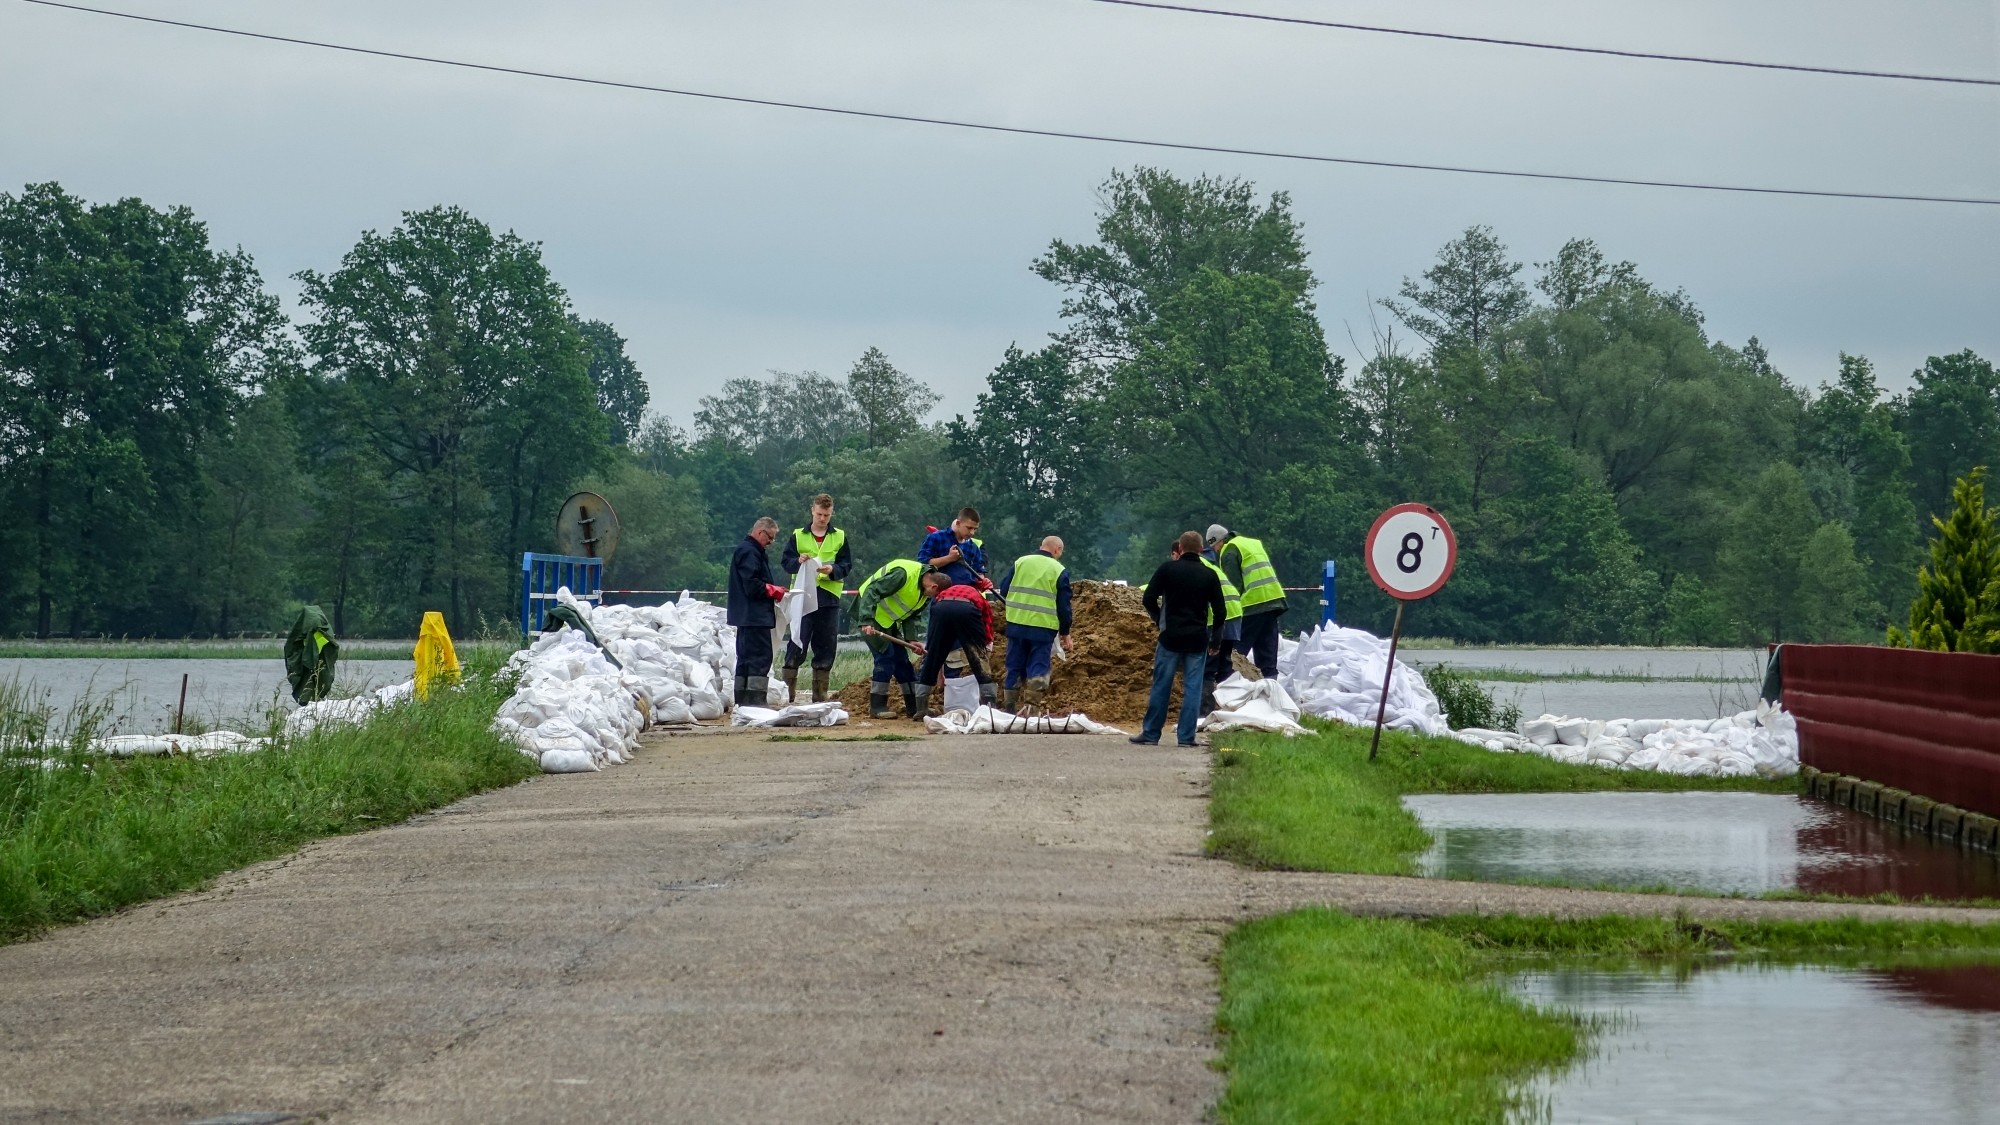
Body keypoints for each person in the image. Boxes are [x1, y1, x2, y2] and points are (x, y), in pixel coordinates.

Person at [1133, 531, 1226, 747]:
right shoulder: (1209, 575)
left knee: (1161, 685)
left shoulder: (1167, 569)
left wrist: (1159, 620)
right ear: (1202, 550)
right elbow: (1221, 612)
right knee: (1192, 689)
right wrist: (1215, 641)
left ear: (1181, 549)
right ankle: (1186, 737)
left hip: (1170, 638)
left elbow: (1148, 598)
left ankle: (1150, 734)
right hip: (1197, 640)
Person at [780, 493, 853, 703]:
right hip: (802, 596)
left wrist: (833, 569)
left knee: (826, 644)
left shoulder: (839, 536)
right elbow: (786, 562)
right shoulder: (797, 535)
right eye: (820, 514)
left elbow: (846, 565)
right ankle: (788, 693)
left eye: (827, 515)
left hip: (828, 597)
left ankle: (820, 696)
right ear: (813, 510)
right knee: (797, 641)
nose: (822, 519)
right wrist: (798, 561)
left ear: (831, 514)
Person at [998, 535, 1073, 713]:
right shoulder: (1059, 569)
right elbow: (1064, 606)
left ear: (1042, 546)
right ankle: (1031, 710)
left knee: (1014, 664)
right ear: (1057, 550)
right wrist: (1065, 632)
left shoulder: (1021, 562)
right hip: (1042, 628)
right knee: (1038, 665)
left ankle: (1009, 709)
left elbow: (1005, 589)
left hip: (1016, 624)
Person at [913, 570, 997, 715]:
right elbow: (987, 620)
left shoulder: (939, 597)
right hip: (967, 609)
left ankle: (920, 709)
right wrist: (985, 643)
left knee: (932, 658)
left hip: (942, 610)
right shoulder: (974, 592)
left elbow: (933, 631)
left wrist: (933, 649)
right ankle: (990, 709)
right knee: (978, 659)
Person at [856, 558, 932, 719]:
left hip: (888, 622)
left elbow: (912, 615)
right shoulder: (903, 575)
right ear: (933, 586)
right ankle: (877, 707)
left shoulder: (926, 591)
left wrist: (911, 639)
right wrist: (866, 620)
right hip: (870, 616)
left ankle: (915, 708)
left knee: (902, 662)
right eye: (935, 594)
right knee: (885, 657)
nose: (933, 599)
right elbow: (871, 591)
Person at [1209, 524, 1286, 679]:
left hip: (1252, 605)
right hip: (1273, 601)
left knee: (1235, 654)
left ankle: (1230, 688)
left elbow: (1233, 587)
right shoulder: (1251, 543)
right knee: (1267, 655)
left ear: (1218, 542)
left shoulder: (1229, 550)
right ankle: (1271, 692)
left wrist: (1229, 616)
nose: (1216, 551)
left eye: (1214, 547)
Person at [726, 516, 787, 707]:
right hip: (755, 615)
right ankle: (756, 701)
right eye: (770, 537)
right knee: (760, 657)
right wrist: (773, 590)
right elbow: (752, 585)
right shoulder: (750, 552)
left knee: (745, 658)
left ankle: (742, 701)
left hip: (746, 616)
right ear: (760, 532)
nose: (771, 542)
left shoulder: (747, 550)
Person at [1196, 545, 1244, 715]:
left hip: (1218, 617)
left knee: (1208, 666)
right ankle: (1227, 707)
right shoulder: (1211, 565)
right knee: (1224, 664)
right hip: (1234, 612)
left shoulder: (1197, 564)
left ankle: (1205, 711)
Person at [917, 508, 990, 590]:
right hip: (939, 595)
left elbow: (979, 571)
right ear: (958, 523)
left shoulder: (973, 547)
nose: (972, 532)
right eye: (969, 528)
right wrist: (949, 558)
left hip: (966, 596)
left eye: (975, 529)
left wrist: (983, 582)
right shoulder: (936, 538)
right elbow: (923, 565)